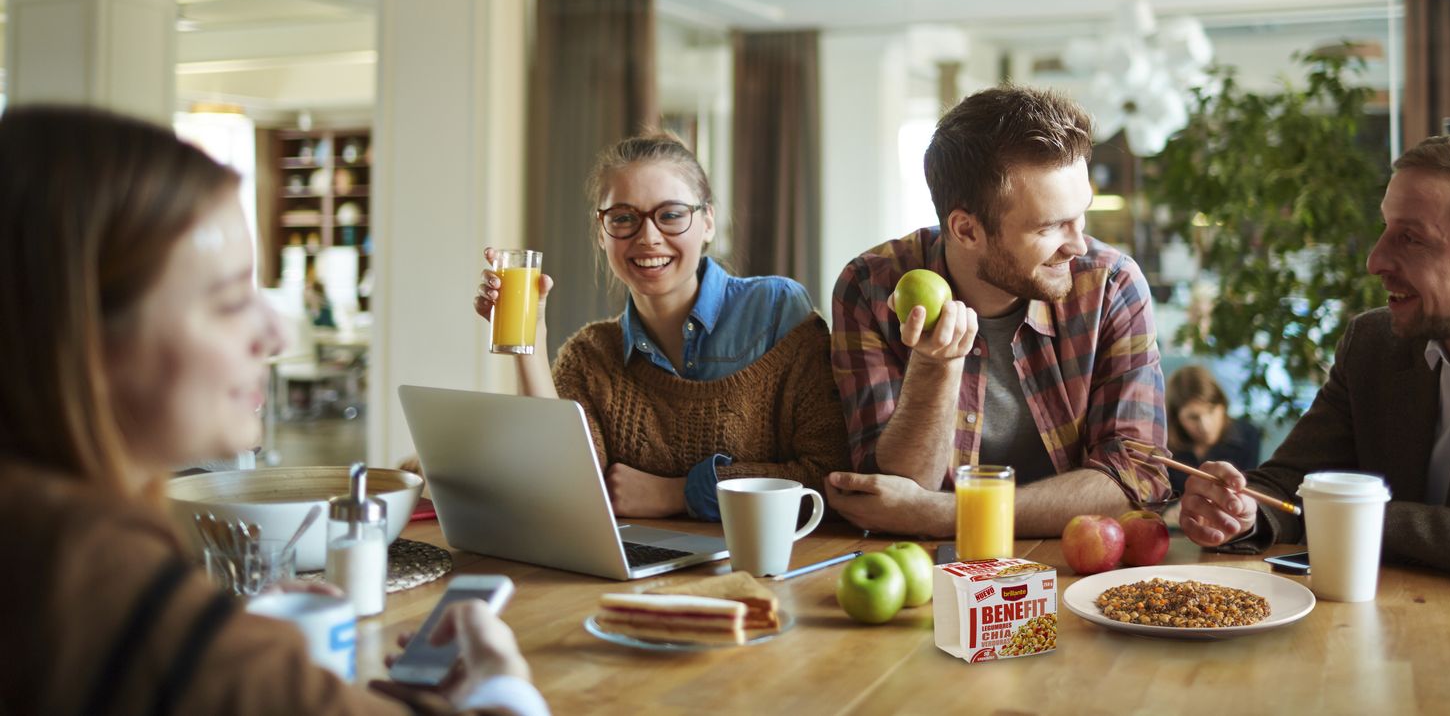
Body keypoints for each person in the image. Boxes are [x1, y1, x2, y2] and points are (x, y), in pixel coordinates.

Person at [0, 105, 546, 716]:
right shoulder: (111, 592)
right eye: (231, 300)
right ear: (81, 337)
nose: (276, 335)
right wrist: (501, 682)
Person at [1179, 135, 1450, 611]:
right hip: (1388, 631)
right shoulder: (1373, 344)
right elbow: (1290, 483)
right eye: (1385, 228)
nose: (1374, 261)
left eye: (1412, 238)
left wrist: (1365, 519)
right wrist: (1243, 511)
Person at [827, 86, 1171, 538]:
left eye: (1080, 216)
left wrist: (947, 514)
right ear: (966, 229)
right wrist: (935, 367)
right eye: (1051, 227)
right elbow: (892, 496)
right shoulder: (870, 288)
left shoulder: (1110, 285)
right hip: (932, 573)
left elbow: (1137, 481)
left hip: (1072, 566)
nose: (1078, 245)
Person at [474, 131, 849, 521]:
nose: (649, 237)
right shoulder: (590, 356)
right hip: (631, 575)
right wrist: (529, 339)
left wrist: (679, 493)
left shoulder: (775, 310)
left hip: (767, 568)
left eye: (670, 215)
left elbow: (829, 478)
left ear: (707, 222)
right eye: (623, 218)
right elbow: (556, 489)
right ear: (601, 232)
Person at [1164, 365, 1260, 498]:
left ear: (1223, 405)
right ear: (1176, 419)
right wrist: (1173, 509)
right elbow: (1161, 501)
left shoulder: (1247, 436)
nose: (1205, 425)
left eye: (1211, 411)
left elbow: (1251, 493)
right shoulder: (1165, 448)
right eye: (1193, 417)